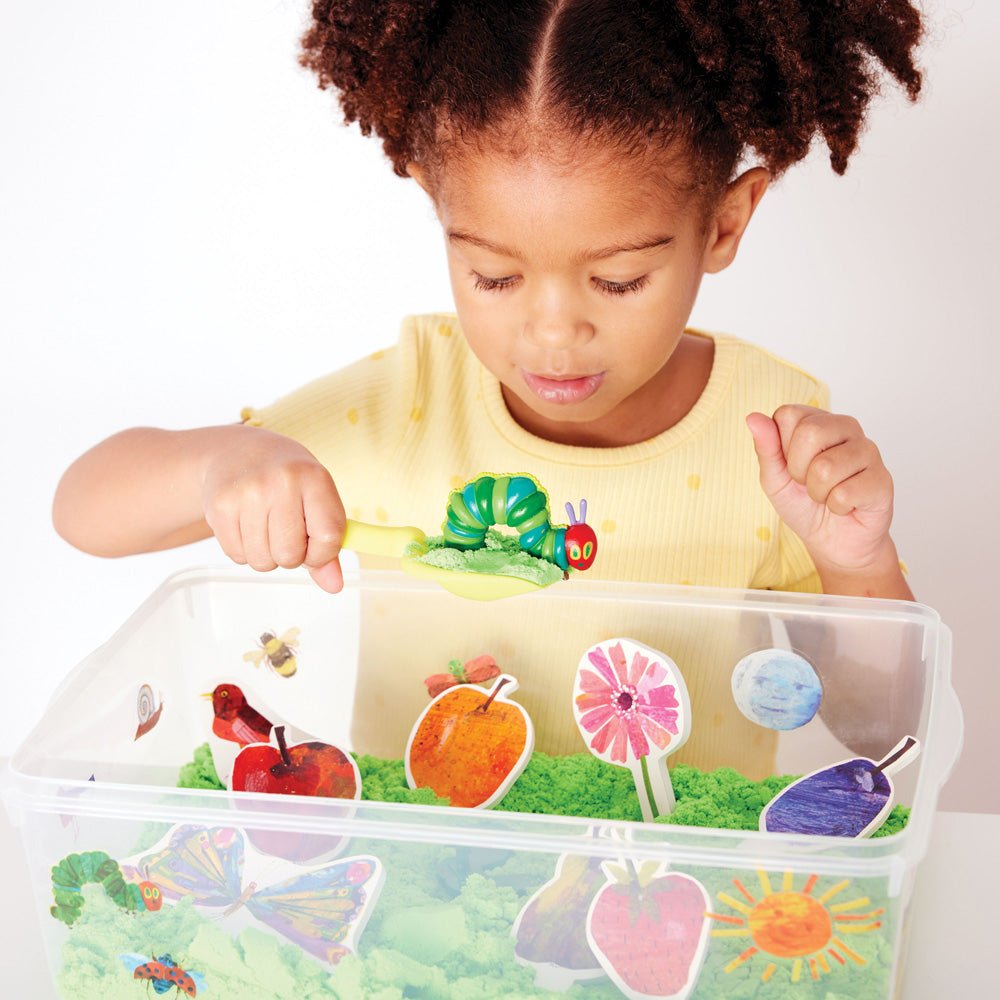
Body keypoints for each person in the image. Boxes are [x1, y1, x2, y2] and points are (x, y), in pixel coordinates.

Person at [52, 1, 924, 774]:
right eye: (494, 277)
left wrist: (858, 563)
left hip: (675, 890)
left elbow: (877, 728)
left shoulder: (771, 436)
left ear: (724, 225)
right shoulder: (407, 402)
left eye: (617, 281)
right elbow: (83, 512)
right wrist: (221, 464)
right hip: (424, 879)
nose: (553, 332)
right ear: (438, 209)